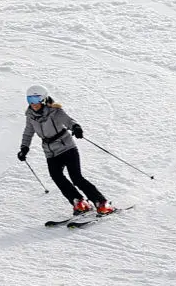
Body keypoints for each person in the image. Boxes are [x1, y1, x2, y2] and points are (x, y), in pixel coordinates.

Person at [17, 85, 114, 215]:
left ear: (44, 99)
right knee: (57, 177)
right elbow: (28, 133)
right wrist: (24, 148)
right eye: (30, 100)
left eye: (36, 99)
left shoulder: (55, 111)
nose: (33, 104)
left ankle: (101, 202)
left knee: (76, 178)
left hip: (67, 148)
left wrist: (76, 127)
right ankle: (79, 202)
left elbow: (68, 121)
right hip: (50, 152)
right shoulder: (30, 116)